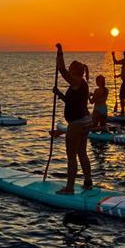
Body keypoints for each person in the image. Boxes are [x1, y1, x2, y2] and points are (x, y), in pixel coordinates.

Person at [49, 43, 92, 194]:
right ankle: (88, 182)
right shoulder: (81, 83)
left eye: (70, 68)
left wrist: (60, 52)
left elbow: (62, 70)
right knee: (82, 153)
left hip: (77, 123)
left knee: (71, 156)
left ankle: (69, 188)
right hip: (85, 120)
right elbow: (72, 102)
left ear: (75, 71)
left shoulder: (76, 81)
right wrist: (60, 94)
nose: (68, 69)